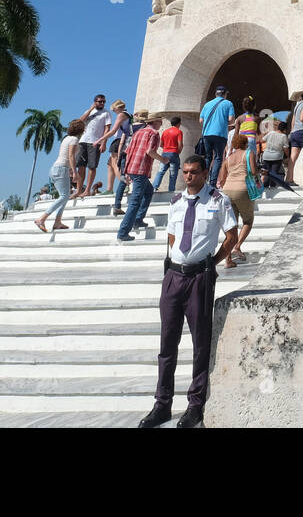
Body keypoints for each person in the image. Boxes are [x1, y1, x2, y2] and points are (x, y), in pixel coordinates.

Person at [138, 155, 238, 430]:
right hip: (173, 276)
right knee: (166, 344)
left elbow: (231, 234)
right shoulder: (175, 201)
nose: (189, 176)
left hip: (199, 278)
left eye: (194, 172)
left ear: (205, 173)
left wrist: (213, 262)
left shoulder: (219, 201)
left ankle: (195, 405)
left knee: (200, 344)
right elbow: (171, 235)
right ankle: (162, 404)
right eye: (185, 172)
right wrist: (172, 262)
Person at [118, 115, 169, 242]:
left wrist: (127, 171)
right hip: (141, 169)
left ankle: (138, 220)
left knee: (148, 191)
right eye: (160, 122)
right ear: (155, 122)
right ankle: (123, 232)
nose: (161, 124)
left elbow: (128, 151)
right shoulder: (154, 133)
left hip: (133, 168)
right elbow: (150, 151)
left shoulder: (138, 132)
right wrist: (163, 159)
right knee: (135, 202)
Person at [215, 134, 257, 267]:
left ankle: (228, 260)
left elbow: (221, 179)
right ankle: (237, 246)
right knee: (248, 221)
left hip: (227, 191)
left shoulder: (228, 158)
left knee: (231, 227)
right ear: (246, 144)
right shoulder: (248, 153)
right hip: (242, 189)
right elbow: (254, 172)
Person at [36, 119, 82, 232]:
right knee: (64, 196)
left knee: (64, 196)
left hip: (59, 169)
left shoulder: (66, 138)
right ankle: (42, 219)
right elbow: (71, 156)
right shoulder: (74, 139)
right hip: (61, 169)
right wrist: (74, 172)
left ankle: (57, 222)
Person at [75, 94, 113, 198]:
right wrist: (90, 109)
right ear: (95, 102)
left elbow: (107, 129)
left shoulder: (106, 113)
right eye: (100, 101)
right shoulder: (89, 111)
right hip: (83, 141)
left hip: (95, 142)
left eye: (103, 101)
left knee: (92, 166)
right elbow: (79, 122)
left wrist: (104, 142)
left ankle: (87, 190)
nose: (102, 103)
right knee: (80, 165)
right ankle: (78, 190)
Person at [199, 86, 235, 187]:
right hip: (220, 134)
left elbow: (201, 120)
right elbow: (231, 119)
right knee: (218, 158)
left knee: (208, 157)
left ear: (216, 94)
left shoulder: (207, 104)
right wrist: (222, 122)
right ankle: (212, 183)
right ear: (225, 94)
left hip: (206, 134)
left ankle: (202, 181)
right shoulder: (228, 103)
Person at [104, 100, 132, 198]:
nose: (114, 112)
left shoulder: (122, 115)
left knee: (115, 164)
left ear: (117, 108)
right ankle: (109, 188)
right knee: (109, 164)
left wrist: (101, 139)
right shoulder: (128, 114)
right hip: (121, 140)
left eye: (114, 110)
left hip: (118, 141)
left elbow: (113, 131)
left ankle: (124, 184)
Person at [153, 116, 184, 191]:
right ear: (178, 123)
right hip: (174, 154)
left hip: (165, 153)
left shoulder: (165, 132)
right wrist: (178, 152)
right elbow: (180, 144)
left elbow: (161, 144)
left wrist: (166, 149)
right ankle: (171, 190)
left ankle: (154, 188)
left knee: (160, 172)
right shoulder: (179, 131)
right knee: (173, 174)